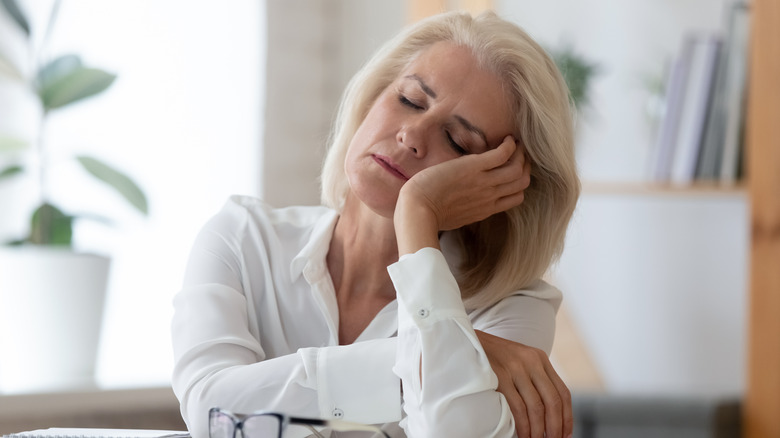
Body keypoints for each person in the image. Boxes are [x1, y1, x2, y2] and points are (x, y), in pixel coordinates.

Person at [171, 10, 580, 438]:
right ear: (371, 98)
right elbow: (211, 412)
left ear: (502, 188)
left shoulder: (511, 310)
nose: (412, 135)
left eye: (458, 141)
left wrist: (418, 213)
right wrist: (437, 358)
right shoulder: (243, 239)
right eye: (409, 100)